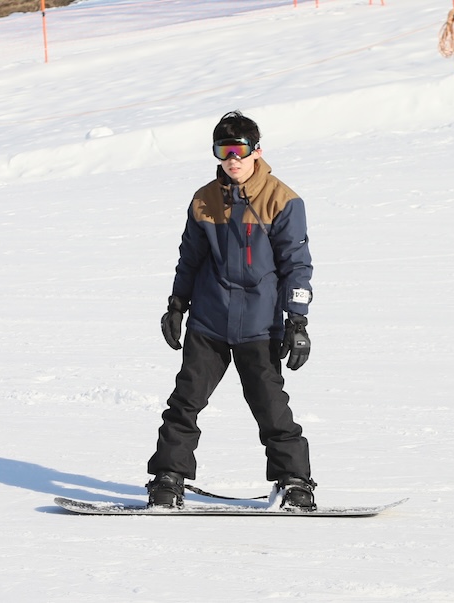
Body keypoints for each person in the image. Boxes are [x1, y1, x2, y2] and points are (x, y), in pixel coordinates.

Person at [147, 110, 317, 510]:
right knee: (185, 402)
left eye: (239, 150)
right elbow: (189, 259)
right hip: (209, 322)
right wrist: (177, 305)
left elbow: (296, 264)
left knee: (271, 407)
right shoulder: (204, 200)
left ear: (257, 151)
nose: (232, 160)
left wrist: (297, 320)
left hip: (259, 325)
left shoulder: (282, 200)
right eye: (223, 151)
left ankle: (294, 482)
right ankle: (168, 478)